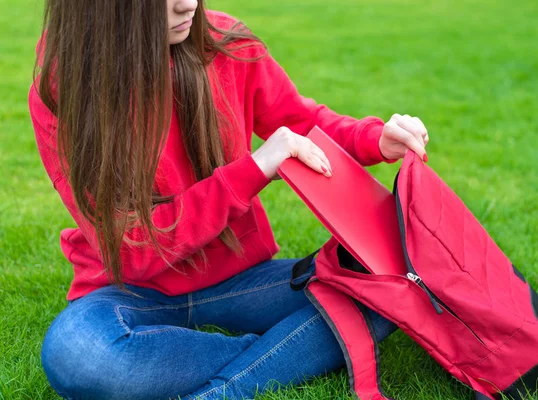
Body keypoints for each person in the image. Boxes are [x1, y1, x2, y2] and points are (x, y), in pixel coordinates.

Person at [29, 1, 430, 399]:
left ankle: (227, 387)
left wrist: (374, 138)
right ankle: (289, 348)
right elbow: (133, 249)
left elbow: (302, 124)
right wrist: (254, 169)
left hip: (239, 281)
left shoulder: (226, 44)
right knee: (80, 351)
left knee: (387, 285)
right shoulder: (66, 86)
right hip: (129, 290)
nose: (189, 3)